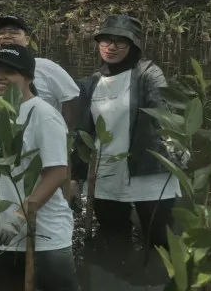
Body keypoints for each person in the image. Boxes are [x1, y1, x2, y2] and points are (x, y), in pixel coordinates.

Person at [0, 44, 80, 291]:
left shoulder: (43, 114)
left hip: (43, 236)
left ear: (28, 77)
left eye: (9, 71)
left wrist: (20, 218)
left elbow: (57, 173)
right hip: (3, 235)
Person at [71, 14, 180, 248]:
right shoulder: (90, 83)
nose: (111, 47)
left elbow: (162, 112)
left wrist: (174, 146)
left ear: (133, 45)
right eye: (105, 40)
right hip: (104, 174)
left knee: (162, 242)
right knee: (112, 241)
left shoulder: (148, 74)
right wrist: (75, 176)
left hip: (149, 172)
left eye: (120, 41)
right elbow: (83, 132)